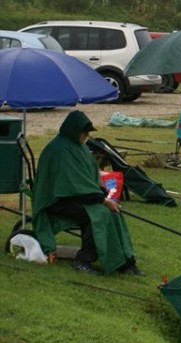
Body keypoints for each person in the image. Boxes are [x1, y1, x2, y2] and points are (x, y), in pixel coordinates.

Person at [31, 110, 142, 275]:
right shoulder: (61, 150)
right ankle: (83, 261)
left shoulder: (78, 146)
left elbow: (86, 178)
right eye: (84, 132)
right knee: (96, 215)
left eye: (87, 133)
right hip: (55, 200)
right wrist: (102, 200)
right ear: (73, 130)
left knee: (112, 213)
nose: (86, 136)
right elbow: (72, 185)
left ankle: (124, 262)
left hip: (74, 195)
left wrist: (101, 194)